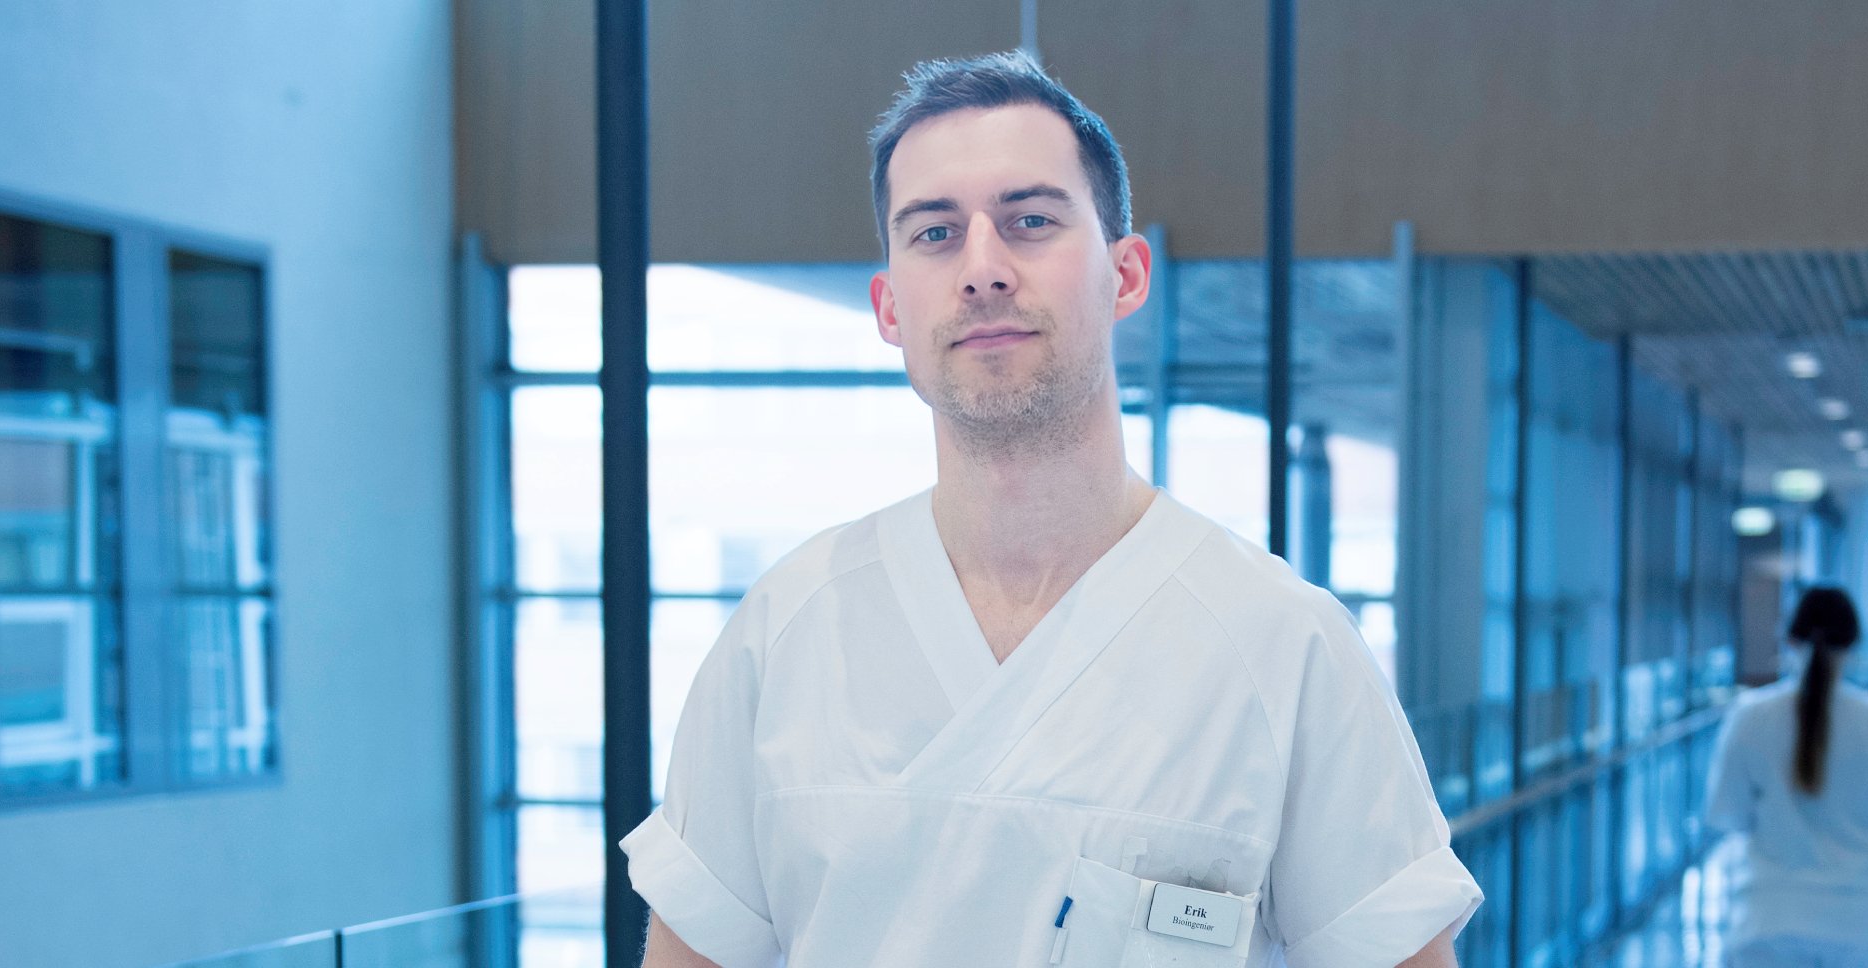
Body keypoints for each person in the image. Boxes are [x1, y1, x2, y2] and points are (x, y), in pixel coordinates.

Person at [617, 50, 1481, 967]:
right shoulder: (782, 636)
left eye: (1030, 221)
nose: (983, 268)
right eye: (935, 234)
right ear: (889, 308)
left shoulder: (1284, 647)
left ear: (1128, 275)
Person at [1709, 585, 1868, 968]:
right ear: (1855, 643)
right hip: (1863, 925)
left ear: (1790, 638)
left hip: (1769, 920)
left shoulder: (1750, 717)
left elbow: (1727, 814)